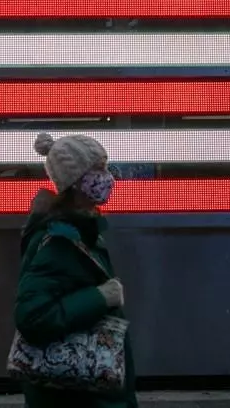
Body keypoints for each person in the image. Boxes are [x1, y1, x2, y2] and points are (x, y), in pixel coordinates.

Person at [13, 132, 139, 408]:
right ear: (77, 181)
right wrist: (100, 297)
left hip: (85, 392)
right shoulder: (59, 240)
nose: (108, 178)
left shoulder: (82, 232)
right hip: (77, 395)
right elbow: (32, 316)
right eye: (99, 169)